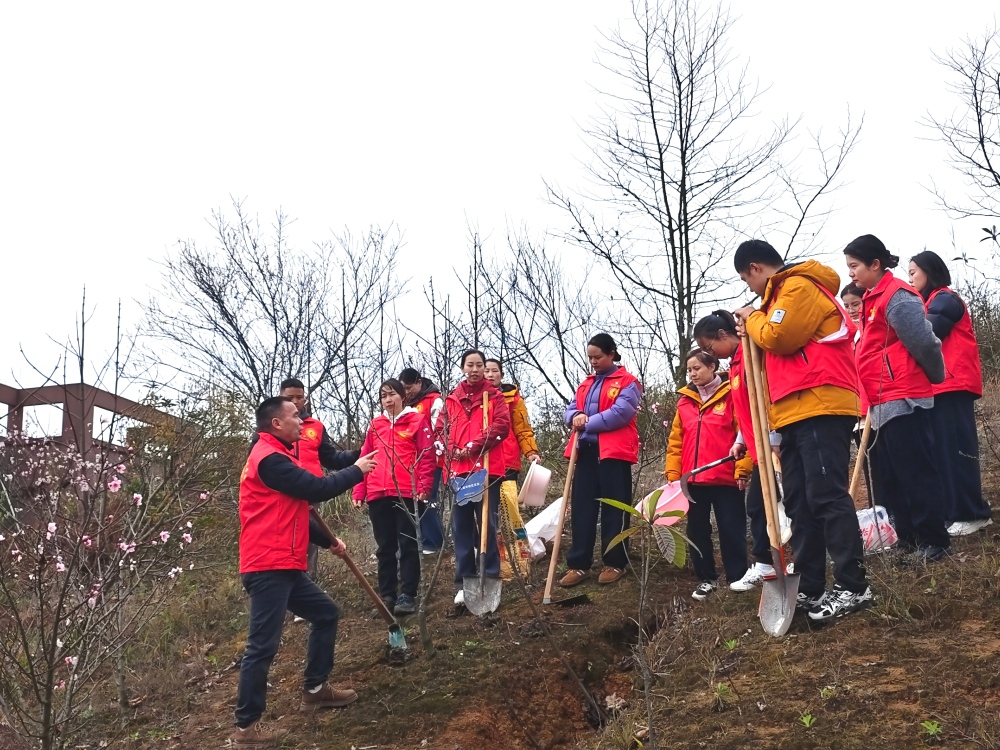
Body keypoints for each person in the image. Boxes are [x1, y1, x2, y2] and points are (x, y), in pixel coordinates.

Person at [733, 240, 872, 624]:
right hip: (792, 412)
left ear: (757, 267)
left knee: (826, 494)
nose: (750, 288)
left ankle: (853, 585)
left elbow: (781, 336)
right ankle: (811, 587)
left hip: (821, 404)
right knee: (799, 502)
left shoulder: (798, 287)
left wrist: (754, 317)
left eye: (747, 279)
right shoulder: (776, 299)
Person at [232, 396, 377, 748]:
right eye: (296, 416)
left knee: (325, 613)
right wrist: (357, 469)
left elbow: (295, 508)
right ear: (276, 424)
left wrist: (327, 542)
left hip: (284, 562)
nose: (303, 421)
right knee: (262, 646)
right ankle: (246, 730)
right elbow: (317, 489)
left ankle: (315, 689)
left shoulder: (278, 456)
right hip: (268, 564)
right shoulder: (268, 460)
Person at [845, 235, 950, 562]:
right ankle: (907, 537)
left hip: (905, 398)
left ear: (875, 264)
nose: (850, 274)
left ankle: (934, 540)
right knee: (892, 476)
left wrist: (935, 376)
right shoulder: (871, 300)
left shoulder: (897, 297)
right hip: (881, 401)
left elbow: (925, 343)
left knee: (916, 472)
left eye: (855, 266)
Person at [908, 250, 992, 536]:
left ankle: (972, 512)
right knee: (942, 452)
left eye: (913, 272)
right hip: (938, 387)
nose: (910, 279)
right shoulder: (929, 302)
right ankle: (955, 511)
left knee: (956, 451)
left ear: (929, 272)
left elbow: (928, 335)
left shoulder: (946, 299)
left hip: (953, 385)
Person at [694, 310, 778, 591]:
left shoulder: (753, 355)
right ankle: (767, 564)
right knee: (757, 506)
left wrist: (774, 437)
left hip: (775, 442)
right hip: (756, 447)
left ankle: (784, 561)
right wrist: (742, 438)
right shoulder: (736, 365)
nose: (711, 355)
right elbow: (747, 410)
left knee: (779, 505)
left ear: (722, 335)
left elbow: (766, 400)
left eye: (709, 348)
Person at [253, 379, 362, 582]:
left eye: (299, 397)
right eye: (289, 398)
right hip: (285, 492)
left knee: (309, 540)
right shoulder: (268, 434)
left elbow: (331, 459)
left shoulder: (315, 427)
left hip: (313, 490)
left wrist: (359, 455)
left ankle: (306, 584)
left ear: (306, 399)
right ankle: (285, 586)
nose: (295, 402)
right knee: (285, 538)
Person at [665, 349, 752, 600]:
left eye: (697, 368)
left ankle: (737, 577)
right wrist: (673, 472)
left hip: (726, 477)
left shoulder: (732, 394)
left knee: (731, 528)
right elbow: (676, 442)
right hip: (692, 481)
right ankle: (706, 579)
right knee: (697, 530)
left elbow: (744, 432)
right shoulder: (684, 401)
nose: (693, 374)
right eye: (689, 370)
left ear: (713, 366)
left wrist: (742, 469)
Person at [558, 333, 641, 588]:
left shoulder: (629, 382)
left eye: (598, 357)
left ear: (612, 353)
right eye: (590, 358)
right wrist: (576, 417)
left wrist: (587, 423)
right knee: (582, 508)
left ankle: (614, 561)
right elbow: (571, 409)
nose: (593, 362)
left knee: (615, 508)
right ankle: (578, 564)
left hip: (613, 455)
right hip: (585, 453)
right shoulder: (586, 383)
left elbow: (621, 414)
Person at [352, 379, 436, 617]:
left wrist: (423, 486)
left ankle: (408, 594)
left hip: (406, 492)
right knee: (384, 546)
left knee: (408, 544)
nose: (388, 400)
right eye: (383, 396)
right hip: (377, 491)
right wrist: (359, 489)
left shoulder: (417, 421)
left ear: (402, 396)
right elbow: (364, 457)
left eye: (392, 395)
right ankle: (386, 594)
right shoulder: (375, 425)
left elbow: (427, 457)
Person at [445, 350, 511, 607]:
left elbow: (502, 426)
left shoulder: (494, 396)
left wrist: (475, 445)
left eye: (479, 365)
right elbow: (442, 429)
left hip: (486, 468)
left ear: (485, 368)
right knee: (461, 527)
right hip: (459, 472)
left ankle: (490, 573)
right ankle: (464, 579)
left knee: (488, 523)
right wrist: (453, 449)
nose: (474, 369)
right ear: (462, 367)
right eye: (469, 365)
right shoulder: (452, 399)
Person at [399, 368, 447, 554]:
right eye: (403, 388)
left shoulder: (434, 400)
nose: (407, 391)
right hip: (410, 462)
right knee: (413, 502)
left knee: (427, 500)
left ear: (419, 382)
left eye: (409, 387)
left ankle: (433, 542)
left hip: (431, 459)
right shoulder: (403, 403)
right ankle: (422, 539)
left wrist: (432, 451)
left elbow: (440, 429)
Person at [484, 358, 541, 477]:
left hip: (507, 459)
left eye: (494, 371)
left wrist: (530, 451)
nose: (490, 375)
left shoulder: (514, 399)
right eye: (486, 371)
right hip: (480, 458)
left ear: (502, 375)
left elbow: (523, 429)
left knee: (507, 495)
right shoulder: (473, 398)